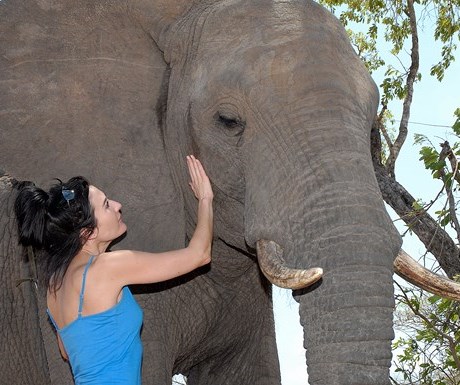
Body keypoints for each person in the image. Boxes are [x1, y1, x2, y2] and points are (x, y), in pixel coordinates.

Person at [13, 155, 213, 385]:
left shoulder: (55, 285)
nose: (118, 206)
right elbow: (200, 255)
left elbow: (68, 352)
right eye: (107, 205)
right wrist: (205, 198)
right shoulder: (107, 268)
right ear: (89, 233)